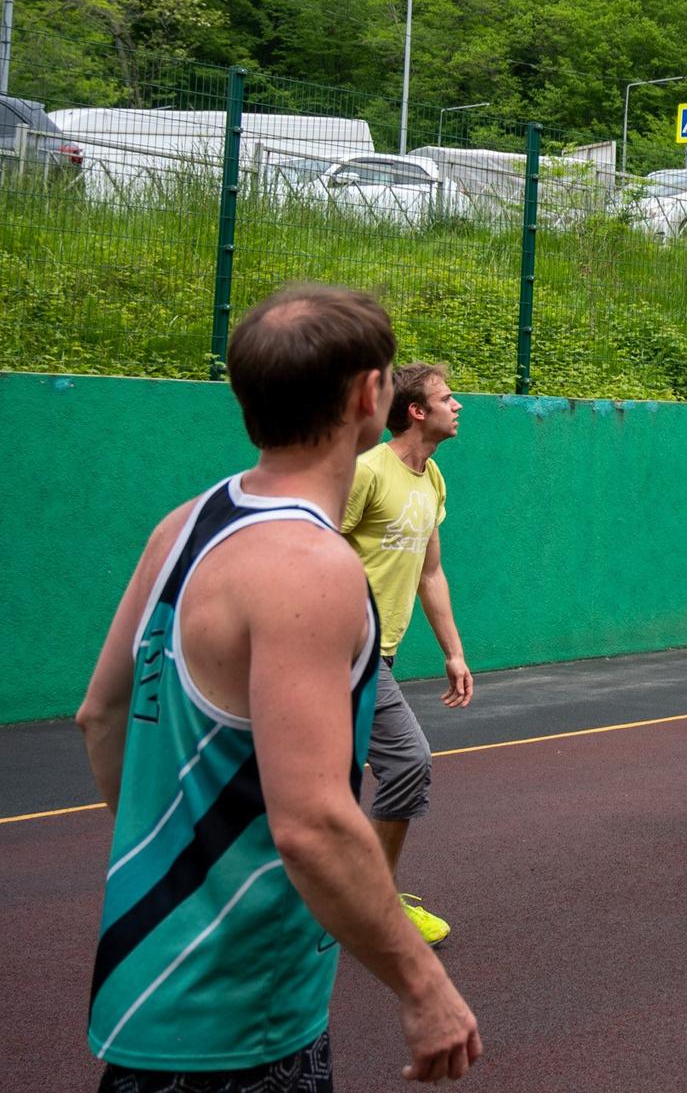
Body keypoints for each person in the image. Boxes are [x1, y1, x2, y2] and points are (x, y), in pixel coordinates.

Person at [76, 285, 481, 1090]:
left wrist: (182, 868)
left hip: (145, 995)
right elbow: (312, 822)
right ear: (371, 395)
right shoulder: (311, 563)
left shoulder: (185, 522)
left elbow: (100, 713)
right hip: (242, 1017)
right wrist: (422, 983)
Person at [339, 360, 473, 946]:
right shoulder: (367, 471)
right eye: (448, 398)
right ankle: (372, 904)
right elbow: (315, 546)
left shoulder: (432, 478)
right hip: (340, 651)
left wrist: (454, 653)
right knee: (407, 761)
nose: (458, 405)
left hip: (380, 655)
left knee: (333, 785)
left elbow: (431, 571)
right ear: (417, 411)